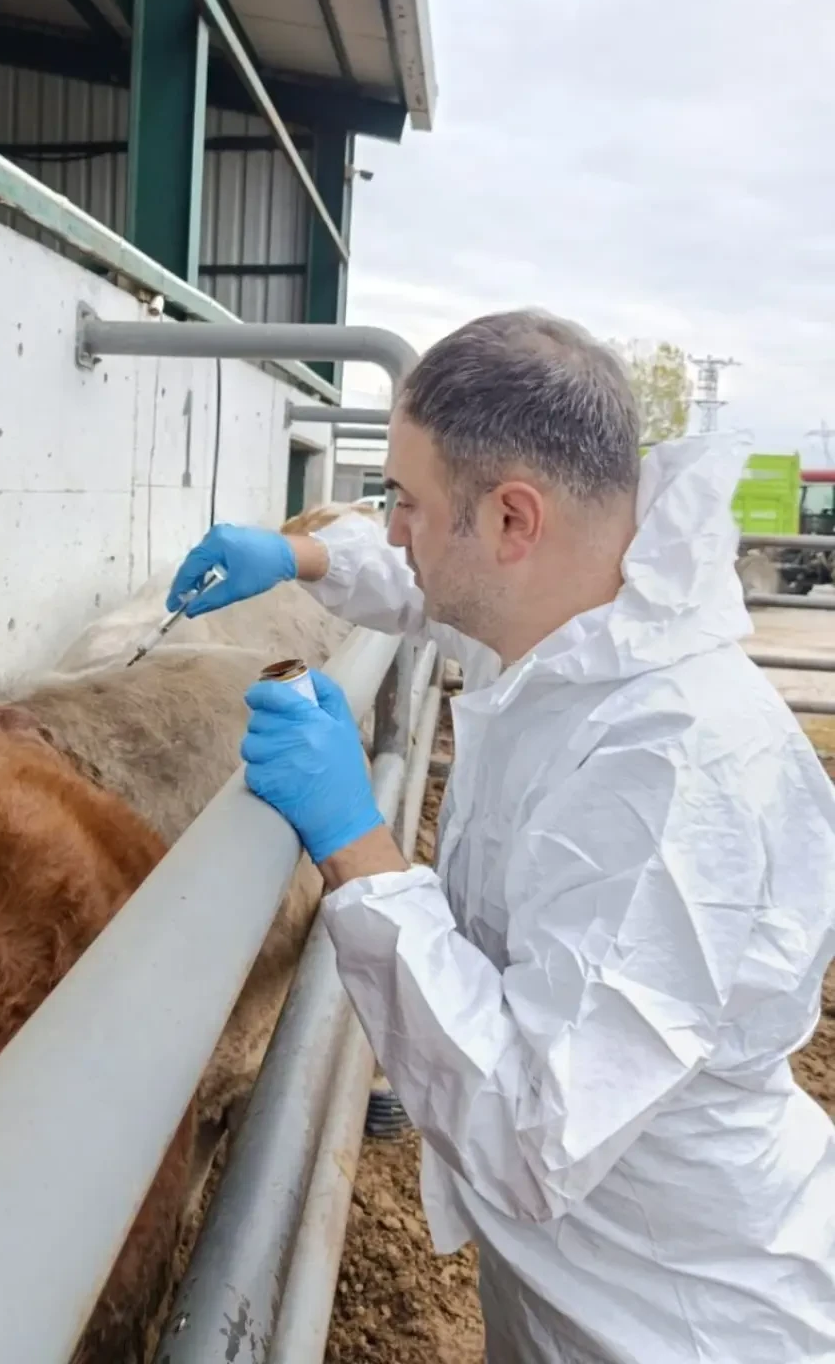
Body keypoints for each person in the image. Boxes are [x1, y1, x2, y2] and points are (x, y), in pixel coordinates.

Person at [167, 311, 835, 1364]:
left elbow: (532, 1131)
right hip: (575, 1277)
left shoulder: (668, 774)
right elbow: (428, 579)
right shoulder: (576, 614)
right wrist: (293, 552)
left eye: (404, 500)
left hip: (678, 1316)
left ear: (514, 520)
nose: (390, 528)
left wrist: (357, 845)